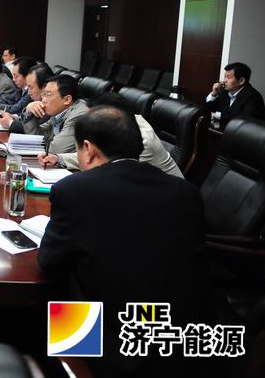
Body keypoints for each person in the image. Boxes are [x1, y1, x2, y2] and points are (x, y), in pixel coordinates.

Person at [38, 106, 213, 377]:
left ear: (88, 149)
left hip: (112, 347)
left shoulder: (75, 190)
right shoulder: (186, 192)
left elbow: (50, 262)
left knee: (58, 294)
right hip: (187, 341)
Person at [38, 93, 183, 177]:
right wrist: (59, 158)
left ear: (112, 115)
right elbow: (99, 155)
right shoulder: (122, 125)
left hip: (167, 203)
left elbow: (110, 170)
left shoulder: (141, 140)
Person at [33, 74, 89, 154]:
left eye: (48, 95)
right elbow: (36, 137)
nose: (43, 100)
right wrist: (29, 113)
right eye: (44, 94)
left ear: (67, 100)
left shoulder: (79, 115)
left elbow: (56, 150)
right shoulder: (59, 112)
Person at [206, 62, 265, 129]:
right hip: (221, 131)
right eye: (225, 77)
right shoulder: (224, 91)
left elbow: (244, 121)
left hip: (243, 133)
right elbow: (209, 111)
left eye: (228, 77)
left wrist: (218, 115)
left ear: (241, 81)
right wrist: (214, 94)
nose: (224, 81)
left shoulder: (253, 97)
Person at [0, 63, 53, 134]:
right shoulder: (38, 102)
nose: (29, 92)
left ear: (45, 87)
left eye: (31, 87)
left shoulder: (50, 107)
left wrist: (10, 122)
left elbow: (36, 133)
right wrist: (13, 117)